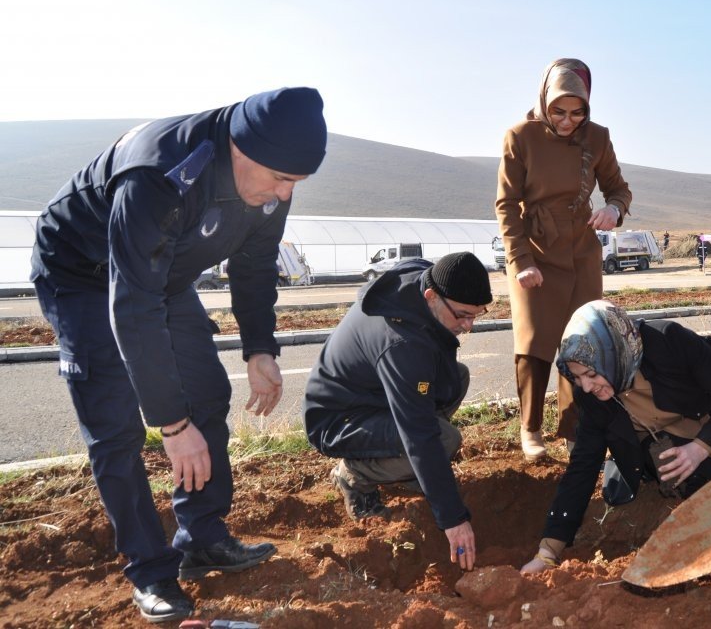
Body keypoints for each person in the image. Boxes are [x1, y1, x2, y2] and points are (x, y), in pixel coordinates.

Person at [30, 87, 328, 623]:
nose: (284, 196)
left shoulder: (272, 178)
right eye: (280, 180)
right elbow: (132, 307)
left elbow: (255, 267)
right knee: (115, 425)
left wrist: (259, 347)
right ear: (240, 148)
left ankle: (201, 536)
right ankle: (151, 571)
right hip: (81, 273)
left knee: (207, 393)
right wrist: (171, 424)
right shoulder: (162, 172)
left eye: (295, 184)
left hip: (159, 274)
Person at [520, 300, 711, 574]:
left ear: (615, 354)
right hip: (666, 433)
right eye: (578, 378)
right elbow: (583, 466)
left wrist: (701, 447)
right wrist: (548, 552)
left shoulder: (667, 341)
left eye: (592, 373)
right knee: (685, 481)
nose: (587, 386)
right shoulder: (589, 395)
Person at [303, 252, 493, 572]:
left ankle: (406, 468)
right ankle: (355, 475)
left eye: (476, 315)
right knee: (442, 440)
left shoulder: (422, 280)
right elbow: (421, 435)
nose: (468, 326)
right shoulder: (402, 343)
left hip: (370, 395)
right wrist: (453, 519)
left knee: (455, 377)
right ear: (432, 297)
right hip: (338, 418)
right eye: (462, 315)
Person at [495, 58, 633, 461]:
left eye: (577, 112)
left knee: (582, 342)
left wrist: (613, 209)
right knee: (535, 341)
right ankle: (531, 429)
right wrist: (521, 261)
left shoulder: (599, 137)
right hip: (535, 248)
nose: (568, 120)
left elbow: (619, 189)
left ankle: (575, 430)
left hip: (582, 250)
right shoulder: (520, 136)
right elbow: (506, 204)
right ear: (544, 101)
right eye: (559, 111)